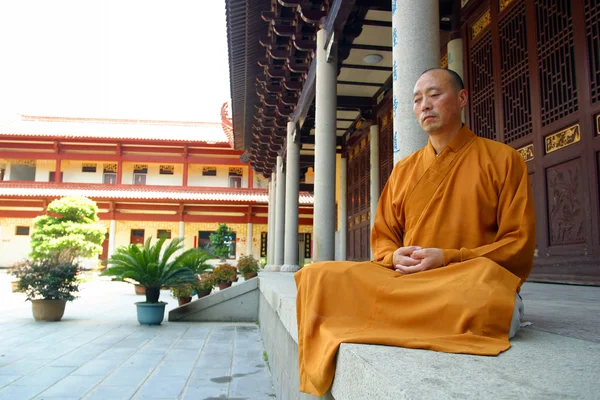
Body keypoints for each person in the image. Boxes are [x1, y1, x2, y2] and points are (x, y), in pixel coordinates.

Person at [294, 68, 536, 396]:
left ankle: (390, 316)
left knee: (490, 302)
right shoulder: (404, 170)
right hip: (410, 281)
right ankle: (422, 317)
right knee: (317, 278)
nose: (424, 105)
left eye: (435, 95)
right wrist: (394, 256)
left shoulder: (502, 160)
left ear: (462, 98)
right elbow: (383, 237)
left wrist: (449, 258)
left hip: (466, 281)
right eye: (417, 99)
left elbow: (517, 242)